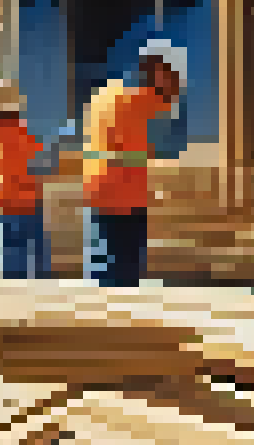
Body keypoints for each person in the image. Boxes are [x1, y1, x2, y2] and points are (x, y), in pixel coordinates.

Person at [79, 43, 184, 289]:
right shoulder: (143, 99)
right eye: (173, 76)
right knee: (123, 272)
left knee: (99, 264)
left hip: (96, 193)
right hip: (124, 198)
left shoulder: (103, 95)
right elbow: (168, 102)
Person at [0, 80, 48, 279]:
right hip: (25, 201)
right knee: (32, 259)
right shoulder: (17, 130)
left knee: (12, 258)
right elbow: (36, 158)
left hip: (7, 201)